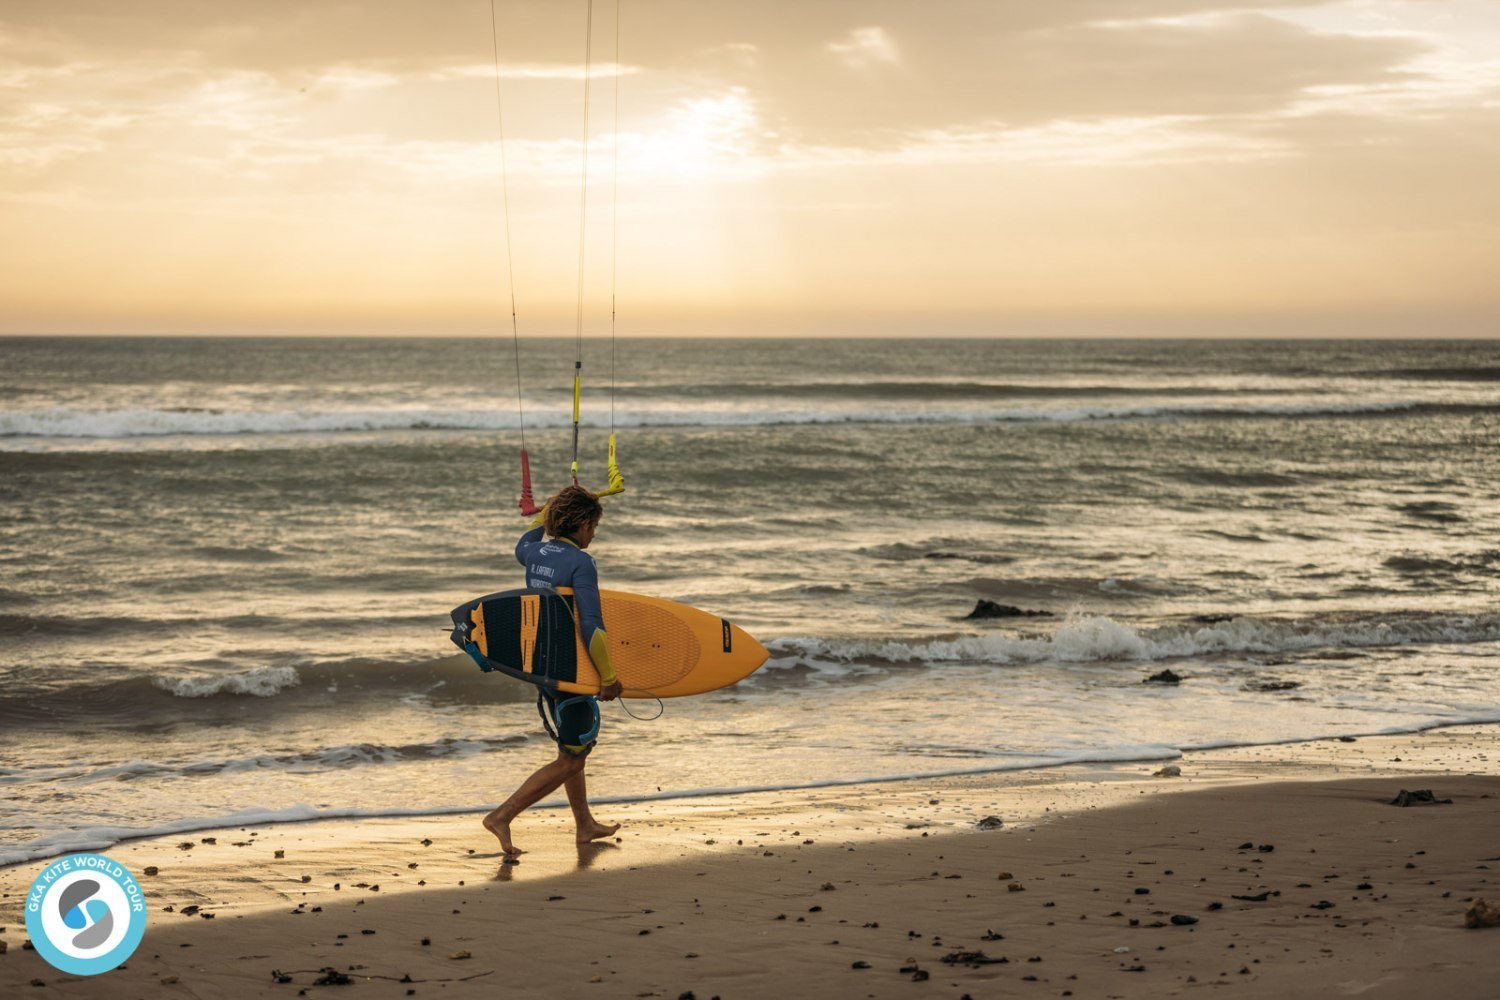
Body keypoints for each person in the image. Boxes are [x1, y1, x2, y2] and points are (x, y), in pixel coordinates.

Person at [482, 485, 623, 855]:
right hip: (571, 668)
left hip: (541, 664)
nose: (593, 534)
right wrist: (608, 677)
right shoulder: (581, 563)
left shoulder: (533, 552)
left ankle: (584, 824)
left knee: (572, 745)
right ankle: (502, 816)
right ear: (580, 524)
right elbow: (591, 624)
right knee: (572, 756)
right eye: (592, 526)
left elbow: (523, 541)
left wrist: (550, 510)